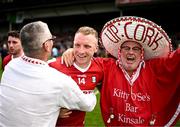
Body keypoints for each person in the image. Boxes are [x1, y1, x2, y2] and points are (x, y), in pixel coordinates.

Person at [62, 16, 180, 126]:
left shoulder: (154, 67)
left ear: (141, 53)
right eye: (126, 48)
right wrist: (74, 51)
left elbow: (176, 60)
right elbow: (86, 60)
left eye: (136, 49)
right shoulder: (107, 66)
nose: (130, 52)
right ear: (119, 51)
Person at [0, 21, 97, 127]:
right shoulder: (59, 81)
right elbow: (88, 105)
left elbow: (23, 99)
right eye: (51, 39)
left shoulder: (10, 66)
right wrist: (92, 93)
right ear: (47, 45)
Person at [48, 26, 103, 126]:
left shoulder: (100, 68)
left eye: (87, 46)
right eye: (77, 45)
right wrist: (52, 111)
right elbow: (34, 96)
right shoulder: (53, 66)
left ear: (96, 48)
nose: (81, 51)